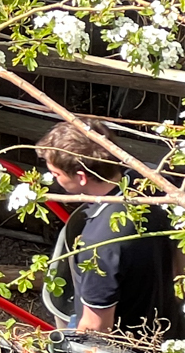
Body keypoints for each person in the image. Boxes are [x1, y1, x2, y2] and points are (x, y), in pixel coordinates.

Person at [37, 119, 175, 341]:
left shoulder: (100, 242)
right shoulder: (148, 181)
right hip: (167, 315)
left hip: (131, 344)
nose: (54, 179)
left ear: (81, 177)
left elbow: (96, 328)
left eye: (56, 174)